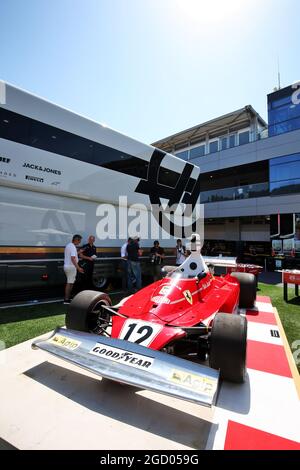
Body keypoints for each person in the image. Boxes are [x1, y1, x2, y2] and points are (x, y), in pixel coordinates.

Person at [63, 234, 84, 304]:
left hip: (68, 266)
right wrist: (78, 268)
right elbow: (73, 258)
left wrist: (78, 252)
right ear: (76, 240)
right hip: (71, 267)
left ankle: (68, 297)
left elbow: (72, 255)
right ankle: (66, 299)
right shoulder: (72, 247)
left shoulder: (69, 245)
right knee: (69, 283)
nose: (79, 243)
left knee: (70, 283)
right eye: (79, 241)